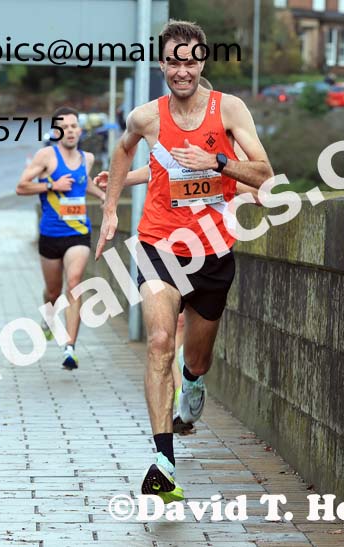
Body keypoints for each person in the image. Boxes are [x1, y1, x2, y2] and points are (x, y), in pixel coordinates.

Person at [95, 21, 274, 502]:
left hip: (213, 252)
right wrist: (111, 210)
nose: (182, 69)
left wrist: (215, 163)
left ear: (202, 63)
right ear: (162, 65)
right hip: (158, 247)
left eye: (190, 59)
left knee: (195, 357)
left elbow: (266, 175)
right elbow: (121, 149)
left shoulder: (229, 109)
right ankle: (163, 463)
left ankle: (192, 383)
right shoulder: (147, 117)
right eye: (173, 60)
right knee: (158, 343)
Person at [15, 107, 106, 370]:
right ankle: (48, 316)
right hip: (50, 234)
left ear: (80, 129)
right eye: (64, 127)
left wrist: (101, 196)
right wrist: (51, 186)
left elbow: (83, 182)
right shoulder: (46, 156)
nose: (70, 131)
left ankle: (70, 347)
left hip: (78, 233)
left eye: (74, 126)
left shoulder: (86, 158)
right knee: (53, 291)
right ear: (56, 131)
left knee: (74, 283)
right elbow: (21, 186)